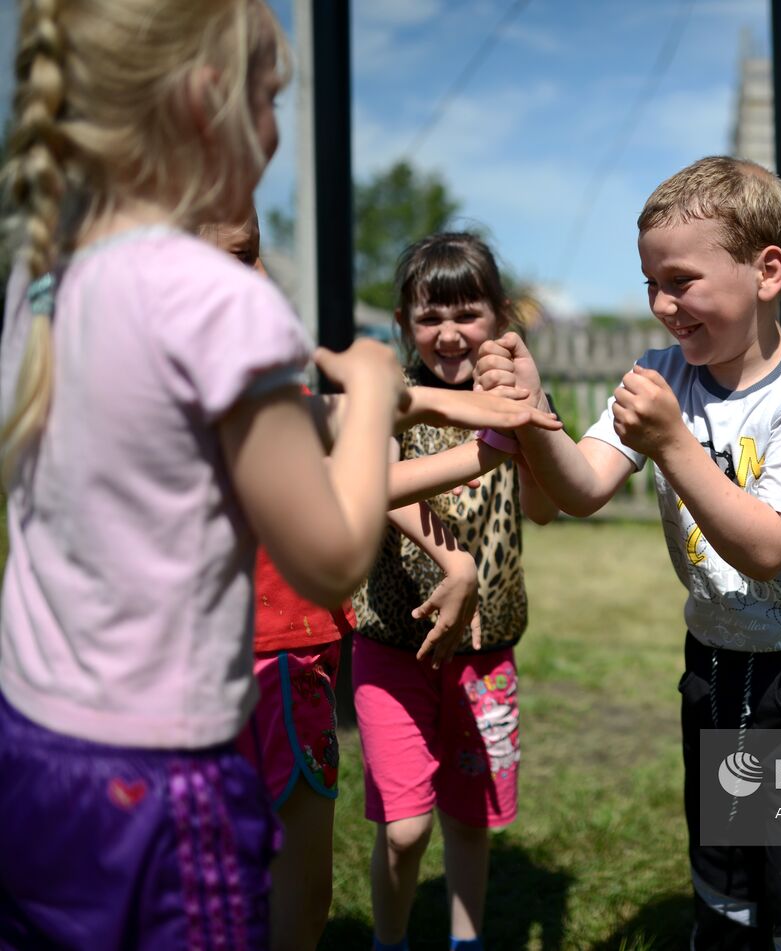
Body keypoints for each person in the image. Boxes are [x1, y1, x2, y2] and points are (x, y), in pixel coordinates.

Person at [0, 2, 405, 946]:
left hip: (28, 745)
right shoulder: (221, 300)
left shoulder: (42, 287)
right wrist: (379, 390)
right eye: (269, 99)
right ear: (204, 102)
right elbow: (333, 556)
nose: (274, 129)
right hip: (160, 775)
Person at [475, 156, 781, 950]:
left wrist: (671, 439)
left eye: (682, 281)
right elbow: (581, 488)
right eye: (650, 285)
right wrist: (535, 413)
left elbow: (768, 548)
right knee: (726, 887)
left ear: (767, 270)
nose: (664, 305)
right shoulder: (666, 373)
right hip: (718, 659)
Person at [199, 209, 487, 951]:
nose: (263, 279)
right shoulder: (216, 409)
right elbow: (348, 479)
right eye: (242, 257)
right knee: (284, 893)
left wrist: (476, 426)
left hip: (278, 666)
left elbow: (355, 433)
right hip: (274, 665)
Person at [352, 231, 560, 951]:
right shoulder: (394, 399)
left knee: (470, 817)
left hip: (484, 650)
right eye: (427, 314)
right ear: (404, 321)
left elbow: (541, 506)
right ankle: (390, 939)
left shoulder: (516, 398)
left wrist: (528, 415)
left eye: (467, 312)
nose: (447, 332)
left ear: (500, 316)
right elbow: (376, 487)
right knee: (405, 826)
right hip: (392, 643)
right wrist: (455, 564)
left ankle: (467, 940)